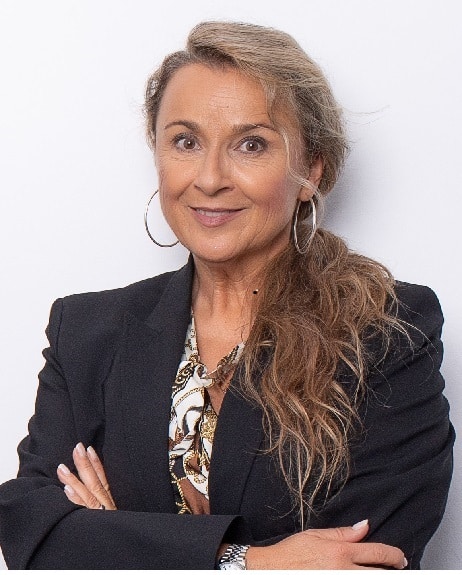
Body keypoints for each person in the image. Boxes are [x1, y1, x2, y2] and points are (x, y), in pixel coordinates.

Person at [0, 21, 454, 570]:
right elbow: (34, 532)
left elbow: (364, 559)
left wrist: (116, 537)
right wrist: (246, 559)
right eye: (185, 142)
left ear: (311, 169)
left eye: (251, 144)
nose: (210, 178)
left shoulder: (386, 329)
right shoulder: (87, 330)